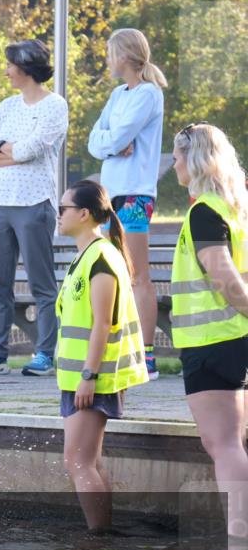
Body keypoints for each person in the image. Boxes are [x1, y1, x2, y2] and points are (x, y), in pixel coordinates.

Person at [0, 39, 68, 377]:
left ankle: (45, 354)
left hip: (34, 203)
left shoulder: (55, 106)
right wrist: (8, 150)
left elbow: (34, 149)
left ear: (25, 67)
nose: (6, 71)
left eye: (10, 65)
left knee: (41, 285)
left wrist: (5, 151)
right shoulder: (7, 106)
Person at [56, 179, 149, 532]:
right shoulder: (86, 255)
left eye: (63, 209)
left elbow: (102, 325)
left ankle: (98, 544)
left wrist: (88, 376)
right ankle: (103, 537)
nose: (58, 216)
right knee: (87, 460)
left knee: (78, 462)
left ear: (83, 213)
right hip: (79, 375)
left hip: (93, 377)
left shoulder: (101, 257)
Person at [170, 123, 248, 537]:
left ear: (195, 158)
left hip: (213, 340)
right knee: (226, 442)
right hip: (228, 338)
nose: (175, 164)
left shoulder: (206, 211)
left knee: (224, 445)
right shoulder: (233, 204)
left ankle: (240, 540)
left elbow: (223, 275)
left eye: (178, 156)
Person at [87, 28, 167, 380]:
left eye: (110, 52)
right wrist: (111, 144)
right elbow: (95, 140)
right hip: (110, 192)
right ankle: (120, 349)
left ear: (125, 55)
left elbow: (118, 136)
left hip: (135, 193)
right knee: (114, 274)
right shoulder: (118, 95)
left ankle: (146, 354)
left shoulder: (148, 94)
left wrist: (113, 141)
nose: (107, 58)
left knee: (137, 276)